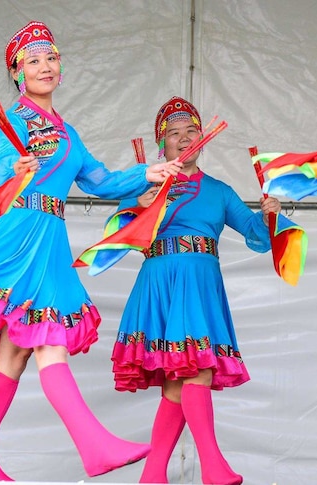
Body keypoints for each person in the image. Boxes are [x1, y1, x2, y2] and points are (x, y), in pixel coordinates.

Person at [0, 21, 182, 481]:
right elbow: (2, 164)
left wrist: (149, 173)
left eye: (51, 58)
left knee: (15, 355)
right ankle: (94, 445)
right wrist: (17, 166)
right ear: (17, 72)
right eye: (34, 60)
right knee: (48, 341)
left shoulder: (68, 132)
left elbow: (101, 181)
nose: (45, 66)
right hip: (22, 231)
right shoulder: (17, 120)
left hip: (49, 235)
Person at [110, 96, 281, 485]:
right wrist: (138, 204)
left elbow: (257, 234)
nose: (184, 139)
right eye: (174, 134)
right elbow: (115, 236)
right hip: (159, 284)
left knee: (180, 381)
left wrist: (270, 213)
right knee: (196, 371)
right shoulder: (145, 184)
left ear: (202, 139)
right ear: (162, 144)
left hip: (200, 285)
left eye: (191, 132)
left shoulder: (219, 191)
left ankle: (152, 475)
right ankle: (213, 468)